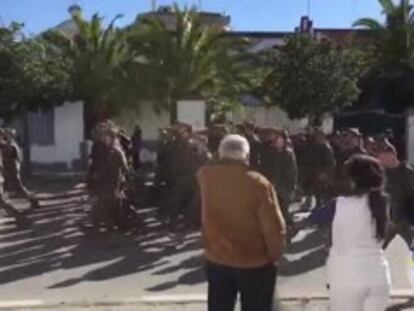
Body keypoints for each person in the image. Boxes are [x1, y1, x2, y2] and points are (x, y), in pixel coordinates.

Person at [197, 134, 286, 311]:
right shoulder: (258, 183)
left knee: (219, 306)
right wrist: (276, 255)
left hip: (217, 257)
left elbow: (208, 165)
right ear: (247, 155)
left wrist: (220, 155)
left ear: (220, 154)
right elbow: (273, 227)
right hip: (253, 261)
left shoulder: (206, 177)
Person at [302, 154, 391, 311]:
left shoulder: (339, 205)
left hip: (346, 277)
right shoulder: (383, 203)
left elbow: (309, 221)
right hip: (379, 276)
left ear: (352, 180)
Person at [90, 126, 129, 229]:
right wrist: (96, 175)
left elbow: (124, 168)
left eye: (106, 137)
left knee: (114, 204)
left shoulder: (116, 151)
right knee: (103, 203)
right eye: (103, 136)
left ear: (112, 138)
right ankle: (103, 223)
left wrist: (123, 183)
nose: (104, 139)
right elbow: (100, 166)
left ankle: (119, 225)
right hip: (104, 182)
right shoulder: (104, 150)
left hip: (114, 182)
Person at [377, 143, 414, 249]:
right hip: (387, 220)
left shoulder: (407, 173)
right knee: (381, 249)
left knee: (408, 250)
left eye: (383, 156)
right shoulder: (381, 172)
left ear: (392, 155)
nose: (380, 159)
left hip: (404, 221)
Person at [259, 128, 297, 226]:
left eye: (279, 139)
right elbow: (266, 168)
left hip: (285, 186)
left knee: (284, 208)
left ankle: (288, 224)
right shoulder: (271, 152)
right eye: (276, 140)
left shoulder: (288, 154)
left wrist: (290, 187)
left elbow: (292, 172)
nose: (277, 142)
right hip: (273, 184)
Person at [0, 129, 39, 209]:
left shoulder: (10, 146)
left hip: (11, 171)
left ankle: (33, 200)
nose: (5, 136)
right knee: (5, 188)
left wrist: (15, 170)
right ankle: (4, 204)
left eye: (7, 135)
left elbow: (14, 160)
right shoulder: (8, 145)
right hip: (7, 171)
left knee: (19, 189)